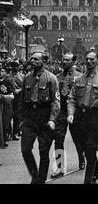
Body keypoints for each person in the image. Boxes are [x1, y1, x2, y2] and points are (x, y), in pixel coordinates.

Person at [67, 51, 98, 184]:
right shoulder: (79, 80)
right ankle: (96, 171)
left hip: (97, 116)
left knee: (91, 147)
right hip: (82, 117)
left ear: (97, 61)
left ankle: (88, 180)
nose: (89, 62)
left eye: (92, 59)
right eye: (87, 59)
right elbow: (72, 98)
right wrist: (71, 113)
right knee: (85, 147)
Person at [17, 51, 60, 184]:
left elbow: (55, 101)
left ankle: (40, 180)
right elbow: (21, 101)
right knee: (25, 149)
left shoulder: (51, 78)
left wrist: (52, 119)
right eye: (31, 59)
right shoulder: (27, 78)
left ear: (43, 61)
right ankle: (34, 174)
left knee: (44, 151)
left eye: (36, 59)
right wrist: (21, 119)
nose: (32, 61)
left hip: (44, 117)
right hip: (30, 119)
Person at [50, 53, 84, 179]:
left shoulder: (80, 76)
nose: (64, 62)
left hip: (75, 111)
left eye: (67, 60)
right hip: (61, 111)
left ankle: (82, 158)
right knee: (58, 139)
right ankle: (59, 167)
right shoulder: (58, 76)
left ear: (73, 61)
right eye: (63, 59)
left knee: (78, 138)